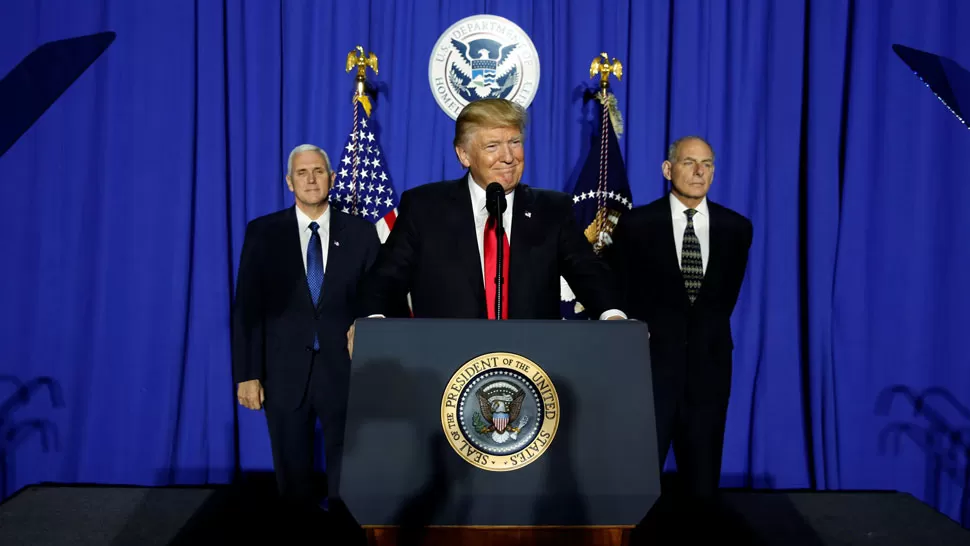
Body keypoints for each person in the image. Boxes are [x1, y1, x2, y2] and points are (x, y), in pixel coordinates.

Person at [348, 98, 624, 350]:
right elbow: (386, 277)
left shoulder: (552, 209)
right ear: (464, 155)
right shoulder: (424, 208)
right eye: (492, 146)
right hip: (445, 365)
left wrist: (613, 316)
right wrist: (371, 323)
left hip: (531, 364)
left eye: (515, 142)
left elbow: (588, 271)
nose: (508, 157)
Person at [231, 144, 382, 528]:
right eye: (302, 173)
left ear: (332, 179)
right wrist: (247, 373)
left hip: (345, 369)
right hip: (282, 373)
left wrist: (366, 325)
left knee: (348, 474)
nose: (311, 179)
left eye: (318, 171)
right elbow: (247, 308)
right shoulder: (263, 233)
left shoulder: (362, 233)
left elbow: (377, 295)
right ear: (289, 182)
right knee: (292, 480)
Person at [604, 136, 752, 514]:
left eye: (707, 163)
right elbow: (619, 290)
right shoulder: (637, 225)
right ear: (668, 169)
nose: (699, 171)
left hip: (710, 369)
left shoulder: (737, 229)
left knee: (702, 490)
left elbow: (723, 301)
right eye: (689, 162)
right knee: (639, 481)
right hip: (651, 368)